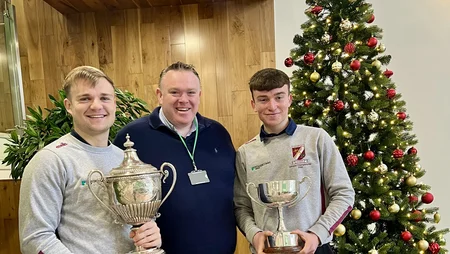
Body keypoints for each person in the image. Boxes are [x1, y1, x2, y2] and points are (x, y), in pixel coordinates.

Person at [19, 66, 161, 254]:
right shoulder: (51, 160)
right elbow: (35, 238)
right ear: (68, 106)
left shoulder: (124, 160)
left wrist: (149, 233)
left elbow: (136, 222)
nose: (96, 106)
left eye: (104, 98)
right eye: (85, 98)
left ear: (114, 104)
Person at [113, 61, 237, 254]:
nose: (184, 100)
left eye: (190, 92)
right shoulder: (131, 138)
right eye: (175, 92)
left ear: (200, 95)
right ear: (159, 95)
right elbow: (116, 207)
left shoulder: (218, 133)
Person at [234, 68, 355, 254]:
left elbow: (344, 194)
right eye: (263, 99)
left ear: (290, 99)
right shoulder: (245, 152)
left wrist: (317, 234)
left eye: (279, 97)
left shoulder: (316, 139)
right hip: (267, 251)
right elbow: (241, 206)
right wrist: (254, 234)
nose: (272, 106)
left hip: (315, 248)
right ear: (253, 104)